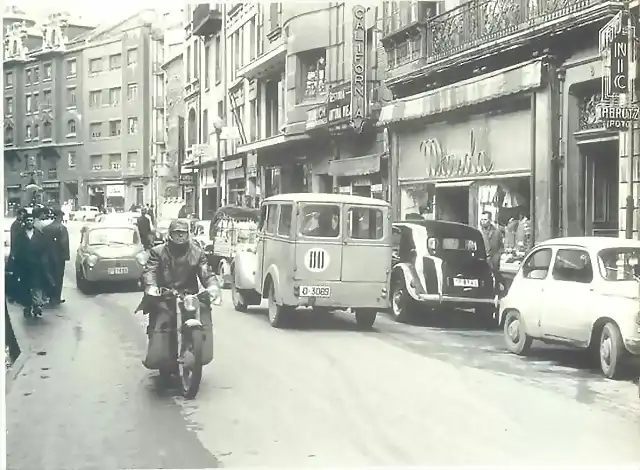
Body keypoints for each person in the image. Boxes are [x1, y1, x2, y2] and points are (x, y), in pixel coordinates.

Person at [138, 219, 221, 374]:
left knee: (204, 312)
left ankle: (199, 348)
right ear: (170, 234)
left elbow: (206, 272)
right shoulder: (158, 252)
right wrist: (151, 286)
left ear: (188, 234)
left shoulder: (197, 252)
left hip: (189, 295)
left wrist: (213, 286)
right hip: (165, 294)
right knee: (160, 317)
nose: (180, 237)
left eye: (183, 233)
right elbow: (150, 270)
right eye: (177, 233)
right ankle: (159, 353)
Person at [12, 208, 48, 317]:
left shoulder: (39, 235)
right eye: (27, 220)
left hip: (37, 265)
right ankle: (27, 306)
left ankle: (37, 306)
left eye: (31, 220)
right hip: (24, 265)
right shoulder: (20, 235)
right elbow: (16, 251)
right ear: (25, 222)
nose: (29, 222)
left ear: (33, 222)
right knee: (26, 286)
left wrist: (43, 263)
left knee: (37, 286)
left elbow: (43, 250)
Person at [43, 208, 70, 305]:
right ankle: (56, 296)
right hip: (59, 257)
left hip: (47, 256)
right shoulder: (62, 228)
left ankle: (49, 295)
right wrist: (66, 256)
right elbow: (64, 243)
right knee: (58, 277)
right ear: (60, 217)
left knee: (50, 275)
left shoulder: (46, 228)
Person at [479, 211, 504, 289]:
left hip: (494, 262)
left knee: (495, 282)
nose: (483, 221)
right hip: (481, 261)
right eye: (482, 219)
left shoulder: (497, 232)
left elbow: (501, 247)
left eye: (485, 219)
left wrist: (497, 256)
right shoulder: (478, 232)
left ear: (490, 220)